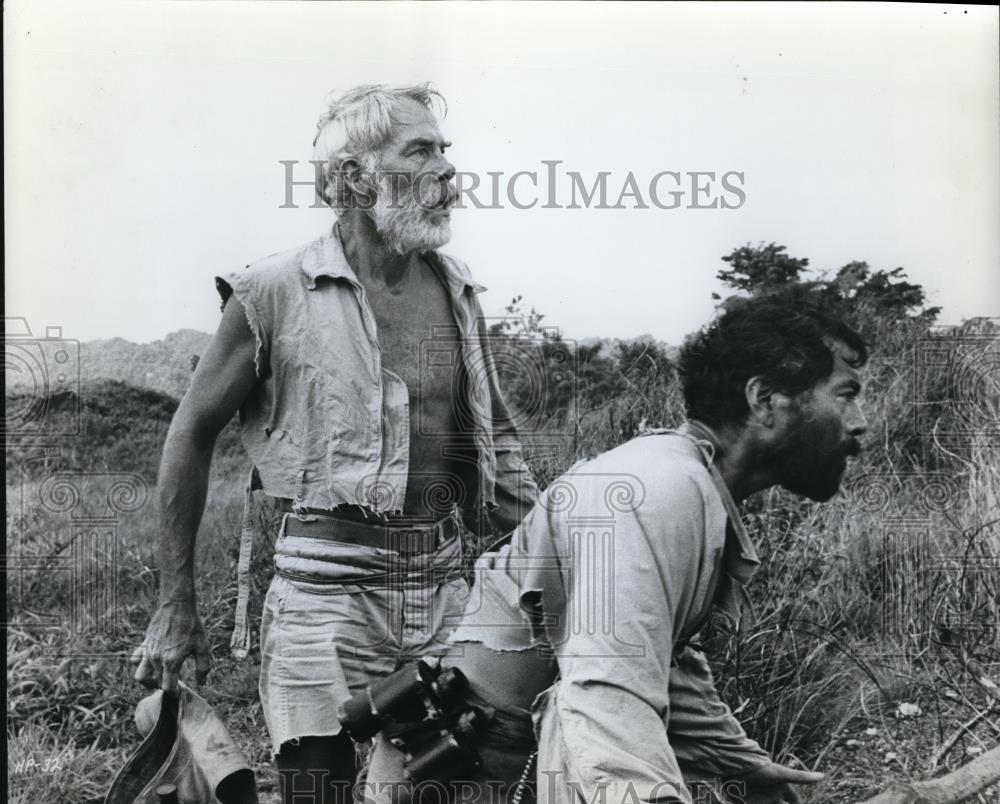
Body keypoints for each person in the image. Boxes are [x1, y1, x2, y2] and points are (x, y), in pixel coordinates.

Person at [130, 83, 539, 804]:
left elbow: (496, 448)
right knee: (316, 790)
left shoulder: (458, 292)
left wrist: (558, 569)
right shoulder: (272, 291)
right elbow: (190, 433)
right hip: (323, 596)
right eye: (421, 151)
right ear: (354, 175)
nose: (448, 170)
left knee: (442, 787)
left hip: (443, 585)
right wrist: (175, 603)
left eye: (445, 150)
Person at [364, 286, 869, 804]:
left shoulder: (683, 482)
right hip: (460, 779)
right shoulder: (657, 490)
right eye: (846, 394)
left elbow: (660, 662)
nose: (860, 423)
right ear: (764, 399)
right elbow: (603, 697)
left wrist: (735, 762)